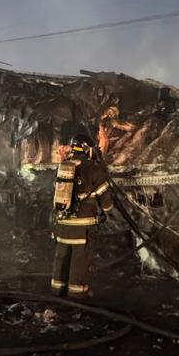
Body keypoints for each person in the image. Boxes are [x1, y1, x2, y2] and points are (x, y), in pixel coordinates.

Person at [50, 128, 114, 299]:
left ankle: (57, 292)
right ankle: (77, 298)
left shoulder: (63, 167)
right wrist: (106, 211)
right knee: (80, 262)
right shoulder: (93, 169)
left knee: (61, 260)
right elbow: (107, 204)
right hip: (82, 230)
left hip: (62, 227)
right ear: (88, 149)